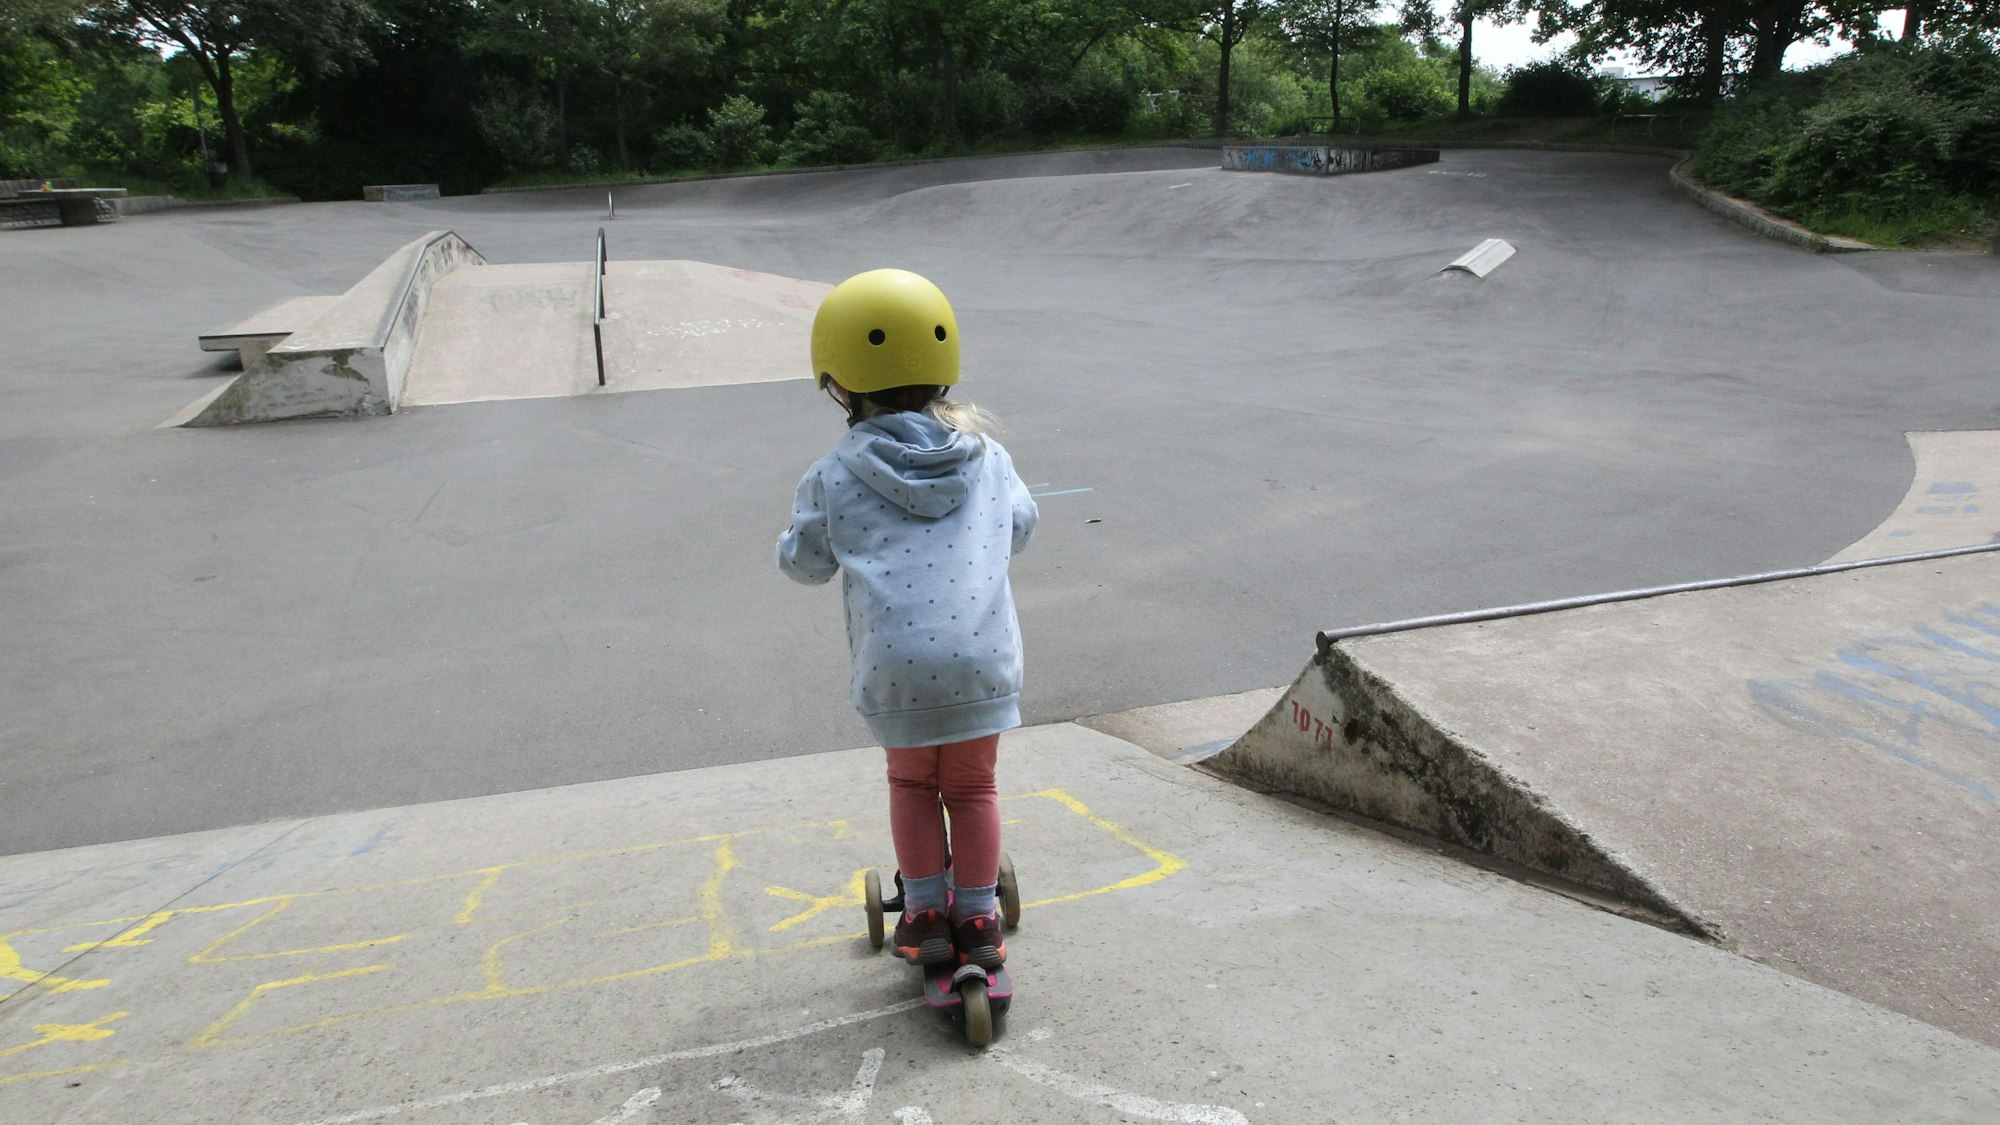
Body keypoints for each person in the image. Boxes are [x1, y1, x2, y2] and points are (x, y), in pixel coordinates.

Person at [777, 268, 1037, 971]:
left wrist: (796, 544)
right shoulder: (987, 456)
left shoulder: (833, 474)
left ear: (839, 380)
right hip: (982, 662)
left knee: (914, 784)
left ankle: (924, 911)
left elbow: (804, 561)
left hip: (897, 671)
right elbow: (1020, 526)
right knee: (974, 786)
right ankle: (978, 916)